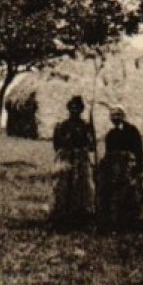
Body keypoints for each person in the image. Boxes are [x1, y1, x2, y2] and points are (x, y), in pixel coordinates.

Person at [50, 94, 95, 226]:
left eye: (77, 108)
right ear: (69, 109)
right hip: (66, 158)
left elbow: (90, 146)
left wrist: (91, 134)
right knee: (63, 186)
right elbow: (57, 144)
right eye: (72, 108)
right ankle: (63, 215)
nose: (74, 110)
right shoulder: (63, 126)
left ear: (81, 110)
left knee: (82, 186)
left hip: (81, 159)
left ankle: (82, 215)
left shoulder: (85, 126)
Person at [98, 106, 143, 224]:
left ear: (123, 116)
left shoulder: (132, 131)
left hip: (127, 165)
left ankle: (130, 218)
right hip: (114, 167)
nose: (115, 118)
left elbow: (138, 150)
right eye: (113, 115)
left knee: (129, 190)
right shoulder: (111, 134)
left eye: (118, 115)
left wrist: (139, 167)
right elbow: (108, 153)